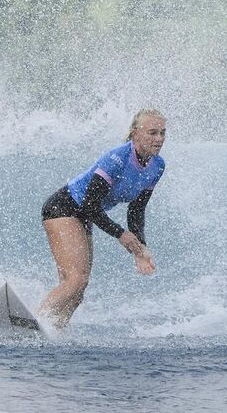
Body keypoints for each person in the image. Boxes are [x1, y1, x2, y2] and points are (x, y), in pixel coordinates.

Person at [37, 108, 166, 327]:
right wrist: (120, 234)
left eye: (163, 133)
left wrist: (140, 248)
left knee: (78, 289)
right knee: (76, 279)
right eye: (152, 133)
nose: (159, 139)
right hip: (64, 207)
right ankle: (34, 322)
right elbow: (89, 204)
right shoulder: (116, 158)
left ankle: (53, 330)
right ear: (135, 134)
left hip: (85, 216)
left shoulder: (157, 166)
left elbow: (136, 210)